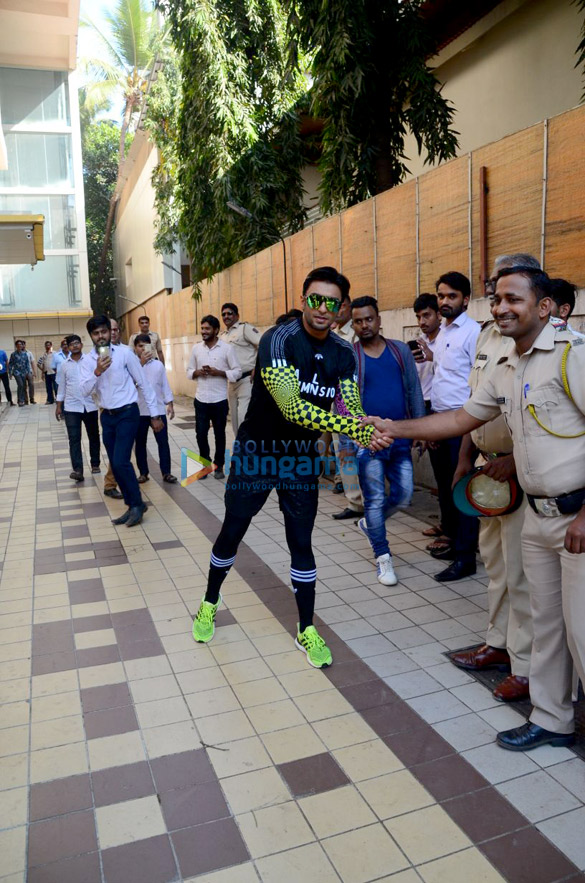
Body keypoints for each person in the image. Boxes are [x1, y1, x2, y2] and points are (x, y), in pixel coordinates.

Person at [367, 266, 584, 753]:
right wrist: (393, 427)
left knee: (582, 632)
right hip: (535, 515)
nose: (503, 307)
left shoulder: (573, 356)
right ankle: (552, 720)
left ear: (544, 307)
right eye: (498, 298)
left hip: (576, 520)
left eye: (515, 299)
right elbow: (462, 417)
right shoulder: (507, 363)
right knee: (545, 626)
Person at [191, 266, 375, 669]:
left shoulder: (345, 353)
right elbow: (292, 406)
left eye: (331, 301)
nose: (322, 308)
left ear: (341, 306)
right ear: (304, 297)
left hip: (299, 459)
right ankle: (209, 601)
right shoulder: (278, 339)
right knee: (232, 532)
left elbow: (349, 404)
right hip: (257, 452)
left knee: (301, 543)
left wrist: (364, 425)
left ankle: (306, 627)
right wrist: (353, 428)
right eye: (315, 298)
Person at [450, 253, 540, 704]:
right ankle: (498, 645)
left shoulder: (547, 344)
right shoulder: (489, 335)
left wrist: (515, 463)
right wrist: (466, 458)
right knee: (496, 569)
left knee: (523, 577)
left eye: (507, 292)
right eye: (493, 290)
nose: (497, 300)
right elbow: (474, 407)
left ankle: (526, 668)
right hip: (488, 471)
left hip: (523, 477)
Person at [348, 296, 425, 585]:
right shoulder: (350, 355)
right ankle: (383, 557)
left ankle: (370, 523)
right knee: (375, 498)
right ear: (353, 324)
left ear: (379, 320)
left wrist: (417, 429)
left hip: (400, 436)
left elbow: (414, 390)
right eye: (358, 321)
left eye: (369, 319)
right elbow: (342, 402)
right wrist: (354, 436)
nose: (364, 325)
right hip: (368, 441)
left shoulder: (400, 350)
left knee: (404, 495)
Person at [416, 272, 481, 581]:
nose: (444, 301)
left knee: (462, 489)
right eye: (440, 296)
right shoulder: (442, 332)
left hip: (463, 424)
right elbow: (443, 376)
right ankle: (455, 544)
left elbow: (476, 387)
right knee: (444, 488)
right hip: (440, 421)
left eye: (451, 296)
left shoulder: (473, 333)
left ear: (465, 299)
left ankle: (466, 557)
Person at [79, 315, 163, 527]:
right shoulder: (88, 361)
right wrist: (97, 371)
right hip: (106, 416)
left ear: (110, 332)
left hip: (128, 413)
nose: (101, 337)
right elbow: (84, 390)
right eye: (96, 333)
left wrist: (155, 415)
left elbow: (144, 384)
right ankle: (133, 504)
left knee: (120, 461)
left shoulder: (125, 353)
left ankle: (136, 505)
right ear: (91, 336)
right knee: (116, 466)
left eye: (104, 332)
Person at [186, 315, 241, 480]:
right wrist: (197, 372)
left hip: (219, 400)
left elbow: (237, 372)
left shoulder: (227, 349)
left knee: (219, 434)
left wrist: (220, 373)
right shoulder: (196, 349)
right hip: (201, 399)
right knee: (200, 433)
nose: (203, 331)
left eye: (207, 329)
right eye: (202, 328)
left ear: (216, 330)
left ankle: (218, 466)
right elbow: (189, 371)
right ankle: (205, 465)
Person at [330, 283, 365, 520]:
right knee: (344, 453)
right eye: (336, 305)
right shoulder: (331, 335)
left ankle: (371, 501)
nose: (339, 309)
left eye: (342, 305)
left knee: (364, 453)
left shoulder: (359, 333)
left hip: (360, 404)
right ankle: (354, 503)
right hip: (337, 403)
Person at [55, 335, 101, 482]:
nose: (74, 346)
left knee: (93, 435)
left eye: (77, 343)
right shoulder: (64, 365)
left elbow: (98, 380)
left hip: (90, 405)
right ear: (67, 348)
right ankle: (78, 470)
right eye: (71, 344)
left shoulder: (89, 361)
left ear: (81, 345)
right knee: (74, 439)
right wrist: (58, 406)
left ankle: (95, 464)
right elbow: (61, 387)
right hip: (71, 406)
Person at [133, 334, 177, 484]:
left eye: (147, 346)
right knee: (140, 443)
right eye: (140, 346)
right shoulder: (131, 365)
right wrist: (140, 363)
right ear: (135, 348)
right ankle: (143, 473)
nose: (144, 349)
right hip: (139, 411)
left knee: (163, 442)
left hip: (157, 411)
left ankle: (166, 472)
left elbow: (164, 384)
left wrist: (169, 403)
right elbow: (128, 386)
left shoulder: (158, 365)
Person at [220, 302, 261, 435]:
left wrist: (258, 367)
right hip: (231, 382)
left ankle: (247, 450)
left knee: (244, 418)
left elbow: (263, 345)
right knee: (235, 422)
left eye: (229, 313)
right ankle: (240, 450)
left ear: (237, 315)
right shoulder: (222, 336)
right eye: (224, 314)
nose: (226, 316)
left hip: (247, 380)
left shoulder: (244, 329)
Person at [103, 319, 124, 499]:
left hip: (128, 408)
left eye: (116, 329)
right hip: (108, 409)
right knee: (118, 450)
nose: (114, 332)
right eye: (110, 330)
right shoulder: (96, 355)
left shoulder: (126, 352)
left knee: (124, 449)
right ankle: (110, 483)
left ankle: (119, 481)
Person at [9, 341, 31, 407]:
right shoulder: (13, 354)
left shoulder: (25, 354)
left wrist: (28, 372)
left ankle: (22, 400)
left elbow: (27, 364)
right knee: (20, 385)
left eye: (21, 345)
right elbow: (10, 364)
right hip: (16, 372)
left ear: (22, 346)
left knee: (23, 386)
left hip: (24, 372)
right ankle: (20, 400)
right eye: (18, 345)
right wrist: (10, 373)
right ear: (16, 346)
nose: (19, 346)